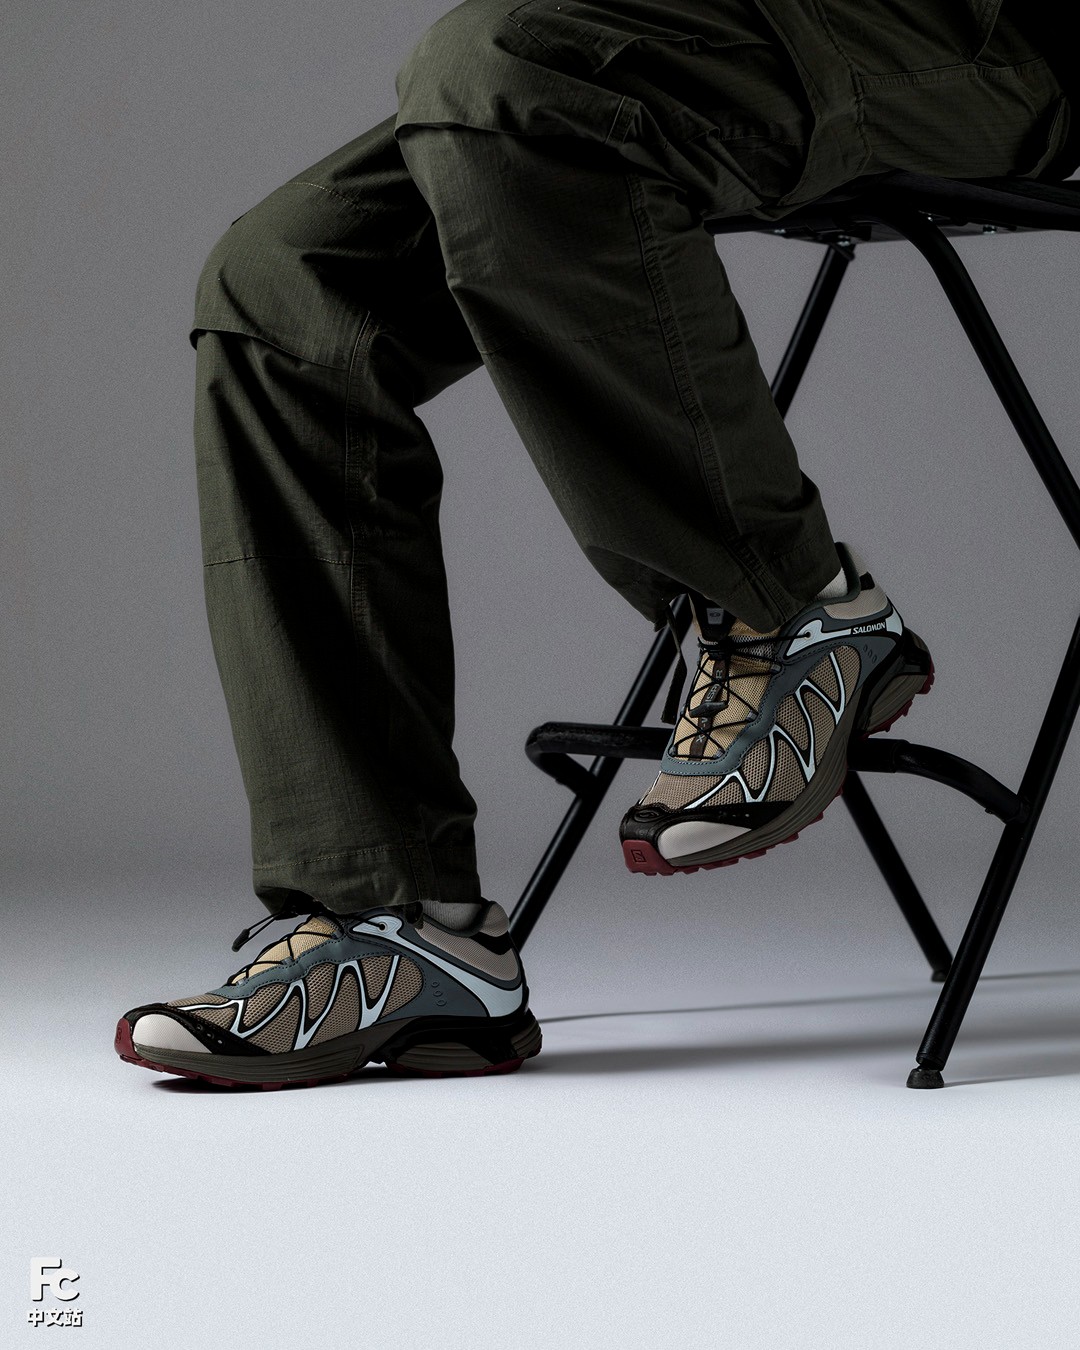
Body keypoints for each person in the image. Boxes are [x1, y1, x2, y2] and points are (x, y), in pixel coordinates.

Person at [113, 0, 1075, 1088]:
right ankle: (399, 921)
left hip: (992, 40)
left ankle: (795, 608)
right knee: (283, 289)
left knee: (513, 68)